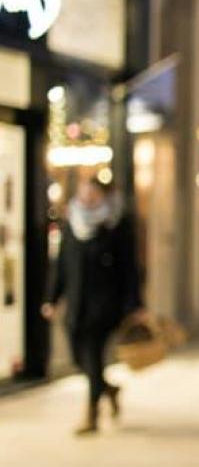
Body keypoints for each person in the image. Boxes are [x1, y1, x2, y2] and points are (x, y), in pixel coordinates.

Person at [43, 176, 143, 435]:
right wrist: (52, 299)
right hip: (77, 304)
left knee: (93, 354)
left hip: (105, 305)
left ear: (103, 196)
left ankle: (91, 414)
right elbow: (62, 266)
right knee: (78, 356)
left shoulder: (116, 226)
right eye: (84, 191)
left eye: (93, 193)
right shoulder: (71, 225)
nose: (87, 197)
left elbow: (129, 269)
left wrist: (134, 304)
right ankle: (108, 388)